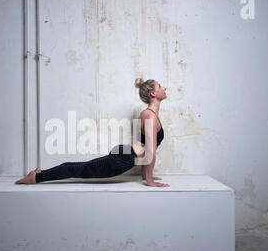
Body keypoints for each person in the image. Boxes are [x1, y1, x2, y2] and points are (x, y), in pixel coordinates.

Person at [15, 78, 170, 187]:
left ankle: (40, 173)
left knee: (79, 167)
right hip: (123, 158)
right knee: (77, 169)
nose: (164, 88)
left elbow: (148, 148)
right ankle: (36, 177)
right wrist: (149, 181)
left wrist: (146, 176)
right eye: (160, 86)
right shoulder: (149, 115)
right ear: (153, 94)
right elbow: (150, 151)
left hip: (126, 155)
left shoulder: (151, 115)